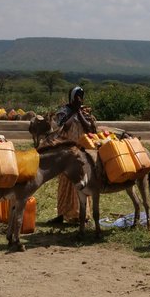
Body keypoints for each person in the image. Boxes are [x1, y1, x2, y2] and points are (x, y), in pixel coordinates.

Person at [48, 86, 97, 224]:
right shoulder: (63, 112)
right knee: (65, 184)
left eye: (81, 96)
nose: (79, 99)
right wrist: (74, 111)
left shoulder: (85, 112)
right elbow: (64, 127)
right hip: (67, 153)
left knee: (82, 183)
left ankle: (82, 215)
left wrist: (79, 112)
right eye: (77, 97)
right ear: (71, 98)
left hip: (82, 153)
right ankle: (62, 214)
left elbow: (90, 128)